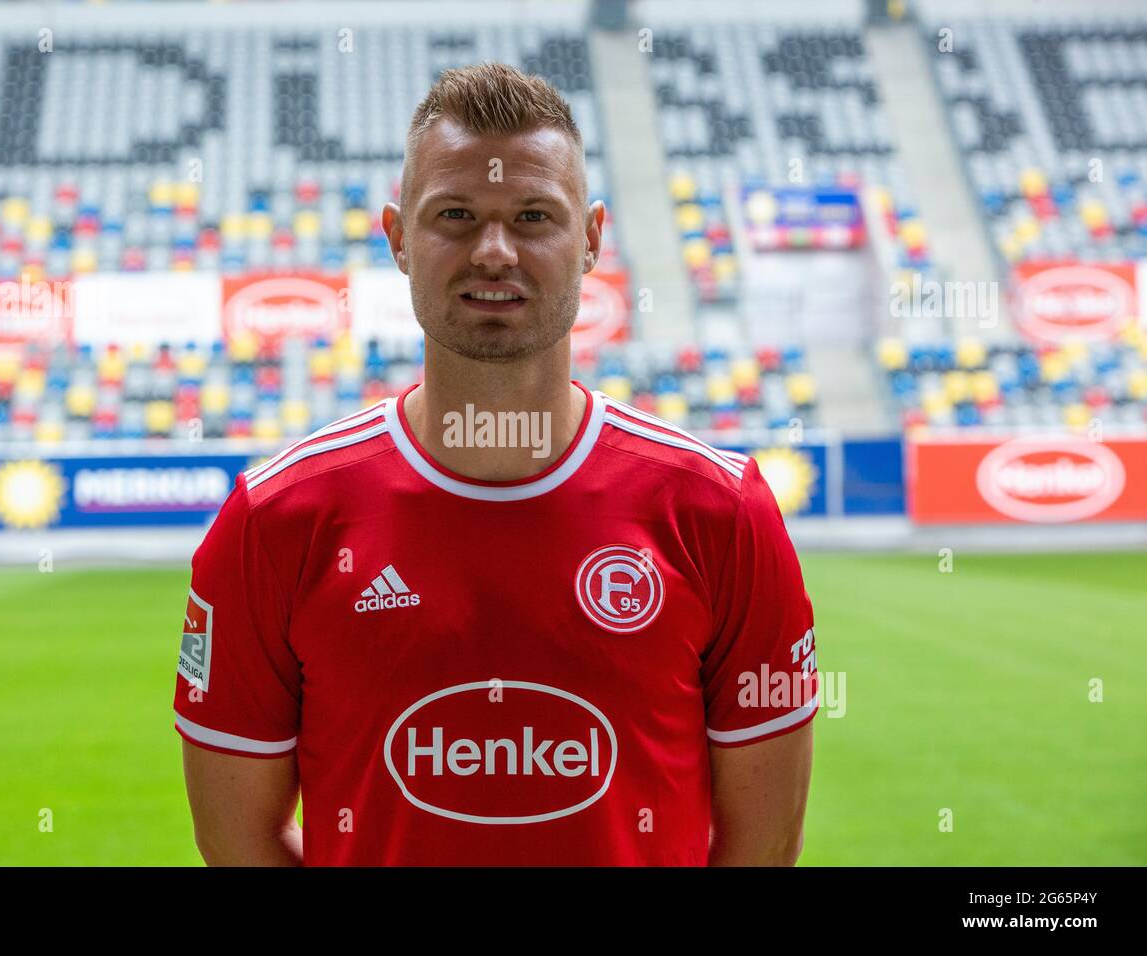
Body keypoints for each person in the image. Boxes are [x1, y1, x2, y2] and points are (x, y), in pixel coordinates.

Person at [175, 62, 817, 866]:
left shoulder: (722, 513)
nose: (494, 250)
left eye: (533, 216)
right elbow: (238, 841)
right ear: (399, 239)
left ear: (590, 240)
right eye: (455, 215)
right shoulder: (275, 520)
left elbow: (763, 849)